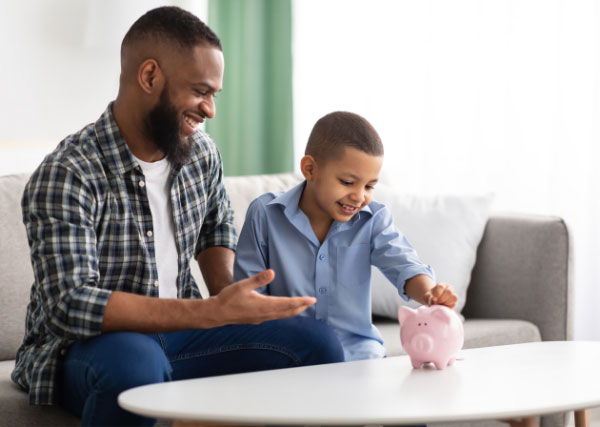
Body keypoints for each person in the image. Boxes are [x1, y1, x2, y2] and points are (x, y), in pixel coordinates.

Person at [12, 6, 344, 426]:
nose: (210, 110)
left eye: (214, 95)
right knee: (135, 371)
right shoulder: (68, 173)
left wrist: (231, 299)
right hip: (87, 349)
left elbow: (215, 226)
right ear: (149, 77)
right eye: (200, 91)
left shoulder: (200, 154)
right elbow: (70, 304)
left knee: (317, 343)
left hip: (182, 335)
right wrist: (209, 313)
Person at [234, 111, 459, 361]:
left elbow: (404, 265)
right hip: (289, 351)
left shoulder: (373, 220)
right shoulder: (265, 214)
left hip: (359, 354)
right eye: (348, 182)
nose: (360, 196)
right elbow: (248, 297)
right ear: (310, 169)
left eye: (369, 186)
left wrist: (430, 294)